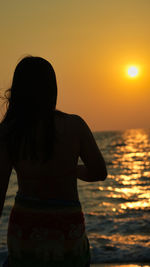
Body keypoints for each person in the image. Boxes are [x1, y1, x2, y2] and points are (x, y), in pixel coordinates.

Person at [0, 56, 107, 267]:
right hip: (68, 233)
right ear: (52, 89)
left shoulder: (9, 132)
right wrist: (72, 169)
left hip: (26, 233)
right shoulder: (75, 126)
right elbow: (98, 172)